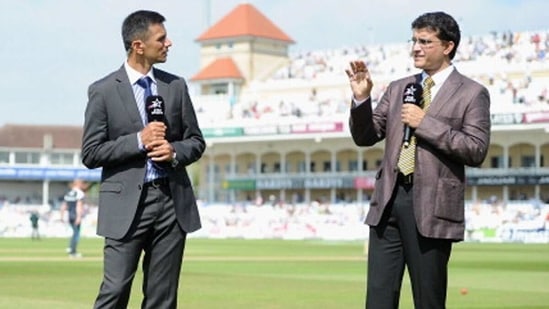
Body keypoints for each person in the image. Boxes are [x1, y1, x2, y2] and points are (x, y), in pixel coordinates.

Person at [346, 12, 491, 308]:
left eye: (425, 41)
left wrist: (425, 123)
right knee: (378, 300)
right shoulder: (399, 88)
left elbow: (476, 149)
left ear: (448, 46)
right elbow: (365, 136)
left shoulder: (472, 93)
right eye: (413, 40)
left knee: (428, 300)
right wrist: (362, 100)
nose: (416, 47)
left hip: (433, 207)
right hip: (388, 203)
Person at [81, 10, 205, 309]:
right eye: (161, 39)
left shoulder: (175, 86)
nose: (169, 43)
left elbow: (196, 142)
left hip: (171, 203)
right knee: (115, 292)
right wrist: (140, 140)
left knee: (162, 299)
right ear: (138, 45)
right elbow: (91, 153)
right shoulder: (104, 90)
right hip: (125, 208)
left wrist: (175, 152)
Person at [60, 179, 86, 257]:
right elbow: (79, 205)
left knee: (74, 233)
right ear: (79, 184)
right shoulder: (79, 193)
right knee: (76, 234)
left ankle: (70, 248)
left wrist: (61, 216)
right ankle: (73, 252)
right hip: (75, 215)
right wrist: (79, 217)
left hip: (69, 216)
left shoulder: (68, 193)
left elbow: (63, 206)